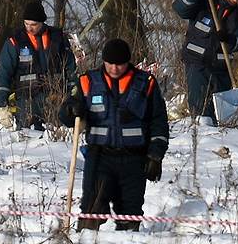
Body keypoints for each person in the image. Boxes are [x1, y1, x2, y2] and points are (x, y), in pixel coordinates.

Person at [59, 39, 169, 231]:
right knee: (91, 209)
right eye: (110, 64)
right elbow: (66, 116)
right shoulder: (88, 81)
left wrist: (155, 154)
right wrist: (71, 110)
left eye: (120, 64)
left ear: (128, 62)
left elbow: (158, 122)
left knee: (130, 212)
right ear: (104, 61)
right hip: (100, 157)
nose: (115, 68)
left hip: (134, 158)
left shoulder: (146, 83)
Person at [172, 0, 238, 121]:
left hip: (220, 69)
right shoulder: (205, 2)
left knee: (220, 110)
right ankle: (201, 136)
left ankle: (221, 137)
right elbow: (180, 8)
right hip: (197, 64)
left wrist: (229, 39)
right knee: (200, 107)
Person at [0, 2, 76, 130]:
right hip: (27, 103)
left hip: (56, 101)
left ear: (42, 22)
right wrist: (1, 106)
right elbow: (4, 74)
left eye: (33, 25)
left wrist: (74, 95)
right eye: (26, 24)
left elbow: (71, 68)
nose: (29, 28)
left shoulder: (58, 38)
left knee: (57, 144)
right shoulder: (15, 42)